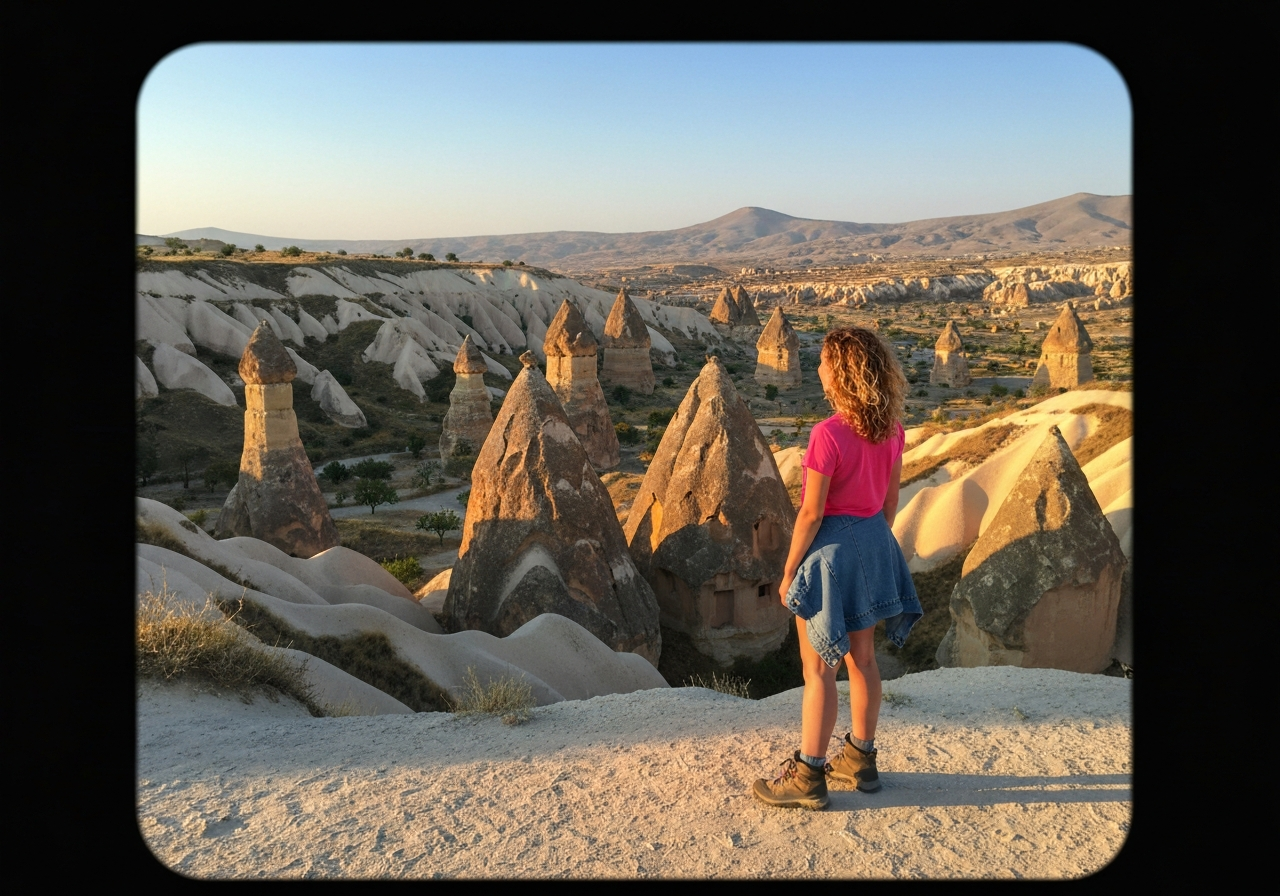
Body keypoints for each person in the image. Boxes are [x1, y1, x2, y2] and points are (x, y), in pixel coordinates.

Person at [751, 327, 923, 810]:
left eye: (825, 362)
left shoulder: (828, 434)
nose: (819, 369)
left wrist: (788, 573)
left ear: (842, 373)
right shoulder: (892, 429)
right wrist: (869, 546)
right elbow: (889, 503)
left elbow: (811, 512)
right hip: (873, 542)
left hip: (829, 555)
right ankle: (860, 759)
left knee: (818, 670)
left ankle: (807, 774)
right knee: (863, 660)